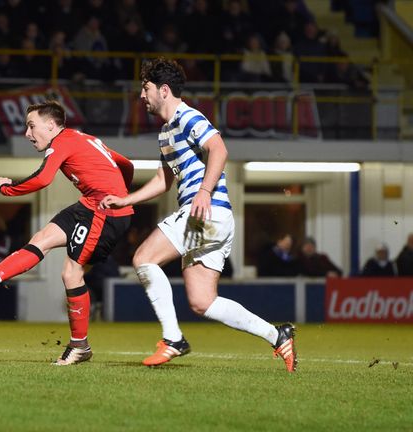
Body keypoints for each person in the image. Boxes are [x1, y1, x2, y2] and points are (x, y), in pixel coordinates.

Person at [99, 58, 297, 372]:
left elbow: (219, 149)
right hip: (214, 219)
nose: (141, 96)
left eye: (145, 88)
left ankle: (173, 338)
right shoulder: (165, 132)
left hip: (205, 212)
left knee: (143, 258)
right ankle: (277, 335)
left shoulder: (187, 116)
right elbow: (164, 180)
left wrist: (204, 191)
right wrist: (126, 200)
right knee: (202, 301)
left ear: (163, 90)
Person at [0, 100, 134, 365]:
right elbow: (125, 163)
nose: (27, 134)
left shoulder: (61, 141)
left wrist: (8, 188)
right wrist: (123, 192)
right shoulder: (84, 138)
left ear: (51, 125)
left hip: (105, 211)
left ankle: (80, 346)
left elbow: (42, 178)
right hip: (91, 205)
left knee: (71, 272)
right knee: (41, 239)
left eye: (31, 126)